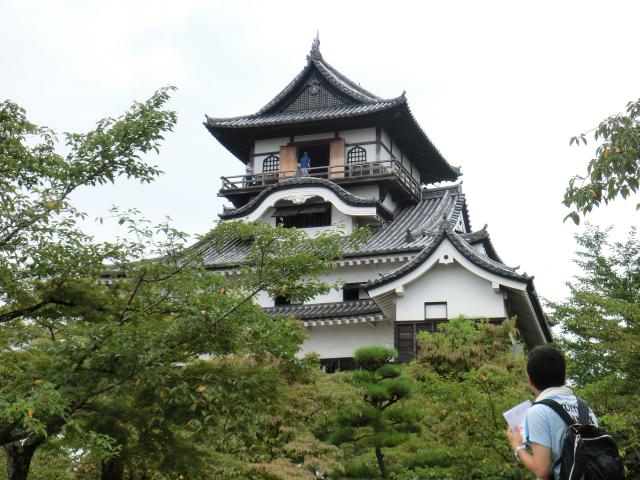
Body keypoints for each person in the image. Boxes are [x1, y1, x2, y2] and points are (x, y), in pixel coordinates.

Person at [506, 345, 598, 479]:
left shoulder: (538, 411)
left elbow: (542, 471)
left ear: (530, 380)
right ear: (563, 376)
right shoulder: (585, 408)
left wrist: (517, 446)